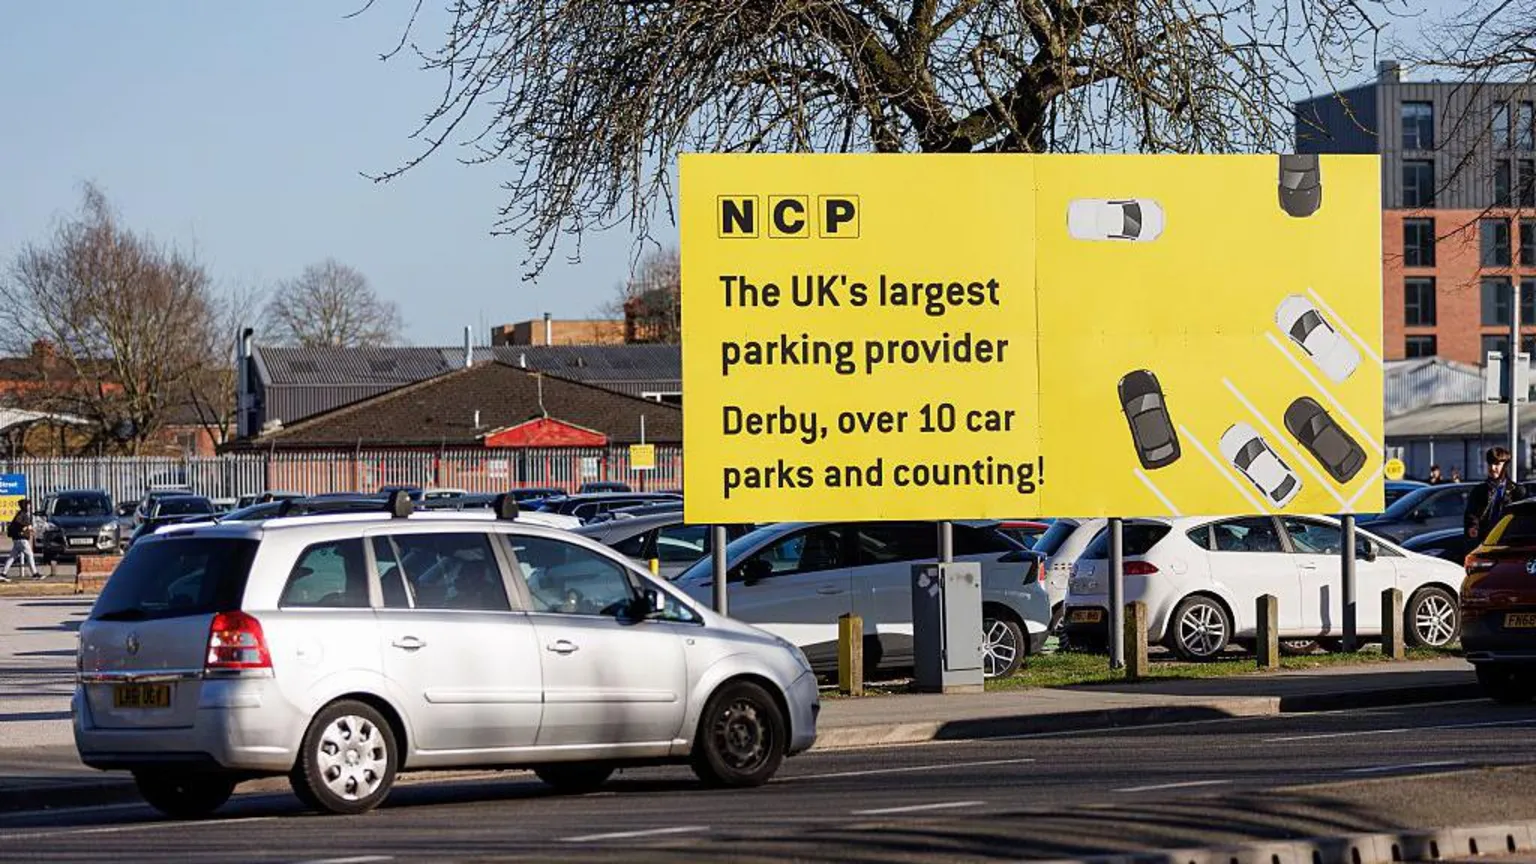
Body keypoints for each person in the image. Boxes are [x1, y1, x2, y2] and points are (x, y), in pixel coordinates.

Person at [1465, 448, 1525, 541]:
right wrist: (1472, 527)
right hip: (1484, 541)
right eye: (1490, 464)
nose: (1492, 468)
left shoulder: (1517, 491)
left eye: (1497, 464)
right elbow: (1471, 514)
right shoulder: (1479, 491)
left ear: (1505, 466)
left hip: (1509, 541)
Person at [2, 499, 39, 581]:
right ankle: (35, 574)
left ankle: (3, 574)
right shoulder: (22, 514)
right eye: (28, 505)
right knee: (30, 555)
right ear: (24, 506)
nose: (29, 506)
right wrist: (26, 527)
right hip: (21, 539)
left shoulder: (21, 514)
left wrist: (28, 528)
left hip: (17, 539)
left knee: (12, 557)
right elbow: (19, 523)